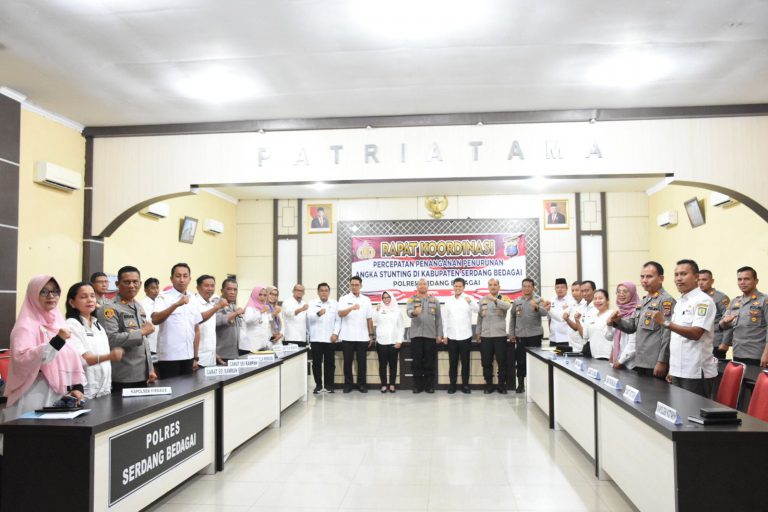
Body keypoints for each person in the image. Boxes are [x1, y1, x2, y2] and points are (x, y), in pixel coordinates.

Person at [2, 275, 86, 423]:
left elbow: (72, 356)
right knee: (33, 439)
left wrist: (77, 386)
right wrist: (57, 341)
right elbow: (22, 358)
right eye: (44, 291)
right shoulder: (25, 326)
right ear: (33, 294)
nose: (51, 296)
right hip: (34, 392)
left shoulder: (59, 322)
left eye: (55, 291)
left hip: (59, 395)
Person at [657, 260, 717, 397]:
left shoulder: (703, 301)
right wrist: (672, 368)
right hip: (678, 370)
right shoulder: (680, 302)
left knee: (692, 415)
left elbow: (696, 333)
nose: (678, 278)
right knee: (679, 414)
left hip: (695, 371)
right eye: (676, 274)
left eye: (683, 274)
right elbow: (676, 339)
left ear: (696, 277)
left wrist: (665, 323)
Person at [609, 261, 675, 378]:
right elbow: (631, 327)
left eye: (649, 276)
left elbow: (668, 334)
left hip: (655, 363)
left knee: (656, 396)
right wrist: (618, 321)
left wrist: (662, 361)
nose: (644, 280)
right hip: (640, 361)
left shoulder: (666, 301)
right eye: (642, 277)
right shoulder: (643, 301)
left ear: (661, 279)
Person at [98, 266, 157, 391]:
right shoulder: (109, 308)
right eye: (127, 282)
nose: (131, 285)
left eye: (135, 282)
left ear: (140, 284)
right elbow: (111, 339)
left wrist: (150, 369)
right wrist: (142, 332)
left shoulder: (138, 306)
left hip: (143, 374)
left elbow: (144, 342)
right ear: (117, 284)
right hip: (123, 376)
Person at [64, 282, 124, 399]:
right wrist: (110, 356)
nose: (90, 300)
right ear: (72, 302)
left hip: (104, 390)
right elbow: (84, 359)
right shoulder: (71, 325)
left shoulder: (98, 325)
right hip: (84, 391)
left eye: (92, 296)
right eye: (83, 297)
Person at [151, 263, 203, 377]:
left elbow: (196, 329)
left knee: (189, 391)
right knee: (172, 392)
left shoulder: (193, 298)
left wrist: (195, 357)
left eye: (185, 276)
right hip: (169, 357)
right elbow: (155, 319)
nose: (182, 279)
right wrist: (176, 304)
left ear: (190, 279)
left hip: (189, 357)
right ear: (171, 279)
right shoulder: (163, 297)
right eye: (178, 276)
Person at [718, 266, 768, 366]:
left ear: (756, 281)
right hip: (738, 353)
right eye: (739, 279)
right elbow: (723, 325)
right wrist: (724, 322)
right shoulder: (734, 302)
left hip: (757, 354)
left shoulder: (764, 300)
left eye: (746, 279)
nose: (742, 282)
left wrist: (766, 354)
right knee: (740, 381)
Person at [334, 276, 374, 393]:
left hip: (362, 337)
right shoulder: (344, 298)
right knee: (347, 363)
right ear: (349, 285)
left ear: (361, 286)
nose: (354, 287)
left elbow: (369, 319)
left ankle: (362, 385)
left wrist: (371, 335)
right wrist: (351, 307)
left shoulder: (366, 300)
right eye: (352, 285)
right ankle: (348, 385)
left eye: (357, 285)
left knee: (362, 363)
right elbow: (340, 314)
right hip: (347, 337)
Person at [509, 278, 548, 393]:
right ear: (522, 288)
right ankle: (520, 384)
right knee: (520, 361)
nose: (526, 288)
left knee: (535, 361)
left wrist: (536, 306)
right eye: (524, 286)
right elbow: (512, 318)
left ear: (533, 288)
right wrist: (512, 333)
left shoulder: (538, 299)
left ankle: (535, 385)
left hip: (534, 335)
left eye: (529, 286)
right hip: (520, 335)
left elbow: (544, 313)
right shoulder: (517, 301)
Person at [406, 278, 444, 394]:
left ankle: (429, 386)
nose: (422, 286)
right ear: (417, 287)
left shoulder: (434, 300)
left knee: (429, 362)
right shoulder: (412, 299)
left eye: (424, 284)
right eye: (420, 284)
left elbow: (438, 319)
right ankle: (418, 386)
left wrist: (439, 335)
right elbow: (408, 312)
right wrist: (414, 313)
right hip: (416, 335)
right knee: (417, 362)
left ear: (427, 286)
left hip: (430, 335)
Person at [442, 277, 478, 394]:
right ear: (453, 287)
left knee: (465, 363)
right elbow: (445, 319)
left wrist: (470, 302)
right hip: (452, 337)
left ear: (463, 287)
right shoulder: (448, 301)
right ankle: (452, 385)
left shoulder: (469, 298)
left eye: (460, 286)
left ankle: (465, 385)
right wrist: (445, 335)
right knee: (452, 363)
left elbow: (477, 310)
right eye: (456, 286)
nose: (457, 288)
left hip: (465, 336)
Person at [476, 278, 512, 394]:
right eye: (490, 285)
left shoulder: (504, 298)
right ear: (488, 286)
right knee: (486, 362)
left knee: (502, 362)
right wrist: (478, 332)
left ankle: (501, 385)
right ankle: (489, 385)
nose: (493, 287)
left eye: (495, 285)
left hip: (500, 336)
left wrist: (495, 300)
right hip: (486, 336)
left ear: (499, 287)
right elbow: (480, 318)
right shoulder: (482, 300)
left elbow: (507, 307)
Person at [308, 283, 338, 393]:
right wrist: (318, 314)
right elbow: (309, 318)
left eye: (326, 290)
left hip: (330, 339)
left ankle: (329, 386)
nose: (324, 292)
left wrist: (335, 333)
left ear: (329, 292)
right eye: (321, 290)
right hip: (316, 339)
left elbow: (338, 320)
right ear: (318, 292)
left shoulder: (335, 303)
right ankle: (318, 385)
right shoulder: (312, 303)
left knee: (330, 363)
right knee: (316, 363)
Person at [568, 289, 614, 360]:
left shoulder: (612, 314)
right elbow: (584, 335)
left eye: (600, 298)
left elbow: (615, 337)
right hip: (594, 355)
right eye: (595, 299)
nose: (597, 301)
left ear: (607, 300)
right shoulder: (592, 316)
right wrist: (577, 321)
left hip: (608, 356)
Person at [194, 275, 228, 368]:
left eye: (212, 286)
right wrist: (194, 358)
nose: (210, 289)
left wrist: (214, 353)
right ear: (198, 288)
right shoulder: (193, 303)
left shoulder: (211, 304)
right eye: (206, 286)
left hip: (210, 358)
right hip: (197, 359)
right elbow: (197, 320)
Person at [697, 269, 731, 359]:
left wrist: (725, 343)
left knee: (714, 372)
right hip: (699, 342)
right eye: (698, 280)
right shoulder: (696, 298)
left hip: (715, 343)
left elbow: (729, 322)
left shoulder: (720, 297)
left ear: (712, 281)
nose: (700, 283)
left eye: (704, 280)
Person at [374, 291, 404, 393]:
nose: (386, 299)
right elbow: (374, 322)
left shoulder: (397, 310)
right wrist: (376, 311)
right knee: (382, 365)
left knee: (393, 365)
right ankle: (383, 384)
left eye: (388, 297)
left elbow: (401, 327)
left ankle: (392, 384)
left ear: (391, 298)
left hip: (393, 343)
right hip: (381, 342)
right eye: (384, 298)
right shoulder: (379, 309)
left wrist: (399, 341)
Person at [612, 282, 640, 369]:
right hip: (619, 362)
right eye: (619, 291)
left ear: (632, 293)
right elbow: (611, 338)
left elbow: (634, 343)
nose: (621, 294)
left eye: (625, 291)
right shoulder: (619, 312)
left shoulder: (637, 312)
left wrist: (620, 361)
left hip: (632, 364)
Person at [216, 278, 244, 363]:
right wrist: (236, 313)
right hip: (221, 356)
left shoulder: (232, 306)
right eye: (229, 289)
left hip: (235, 354)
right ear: (222, 290)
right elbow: (217, 321)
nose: (233, 292)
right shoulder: (217, 304)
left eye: (235, 290)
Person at [564, 280, 597, 352]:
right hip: (579, 345)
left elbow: (577, 327)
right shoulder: (581, 307)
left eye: (587, 290)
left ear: (594, 291)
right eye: (572, 290)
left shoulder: (597, 307)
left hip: (590, 346)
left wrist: (567, 319)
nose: (584, 293)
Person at [242, 286, 273, 353]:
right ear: (254, 295)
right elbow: (248, 320)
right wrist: (261, 311)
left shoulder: (264, 308)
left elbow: (265, 326)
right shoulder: (250, 307)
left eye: (265, 295)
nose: (262, 297)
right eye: (260, 294)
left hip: (262, 345)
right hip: (251, 346)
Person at [547, 278, 576, 347]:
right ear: (555, 289)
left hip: (566, 339)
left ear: (567, 288)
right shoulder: (551, 300)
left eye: (562, 287)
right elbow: (549, 318)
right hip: (553, 339)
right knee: (552, 357)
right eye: (557, 287)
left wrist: (549, 309)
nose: (560, 289)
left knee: (565, 358)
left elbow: (562, 317)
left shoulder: (571, 301)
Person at [140, 277, 160, 355]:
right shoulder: (143, 305)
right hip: (150, 345)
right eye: (152, 288)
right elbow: (144, 324)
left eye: (157, 288)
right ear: (145, 290)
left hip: (160, 345)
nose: (156, 291)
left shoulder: (159, 303)